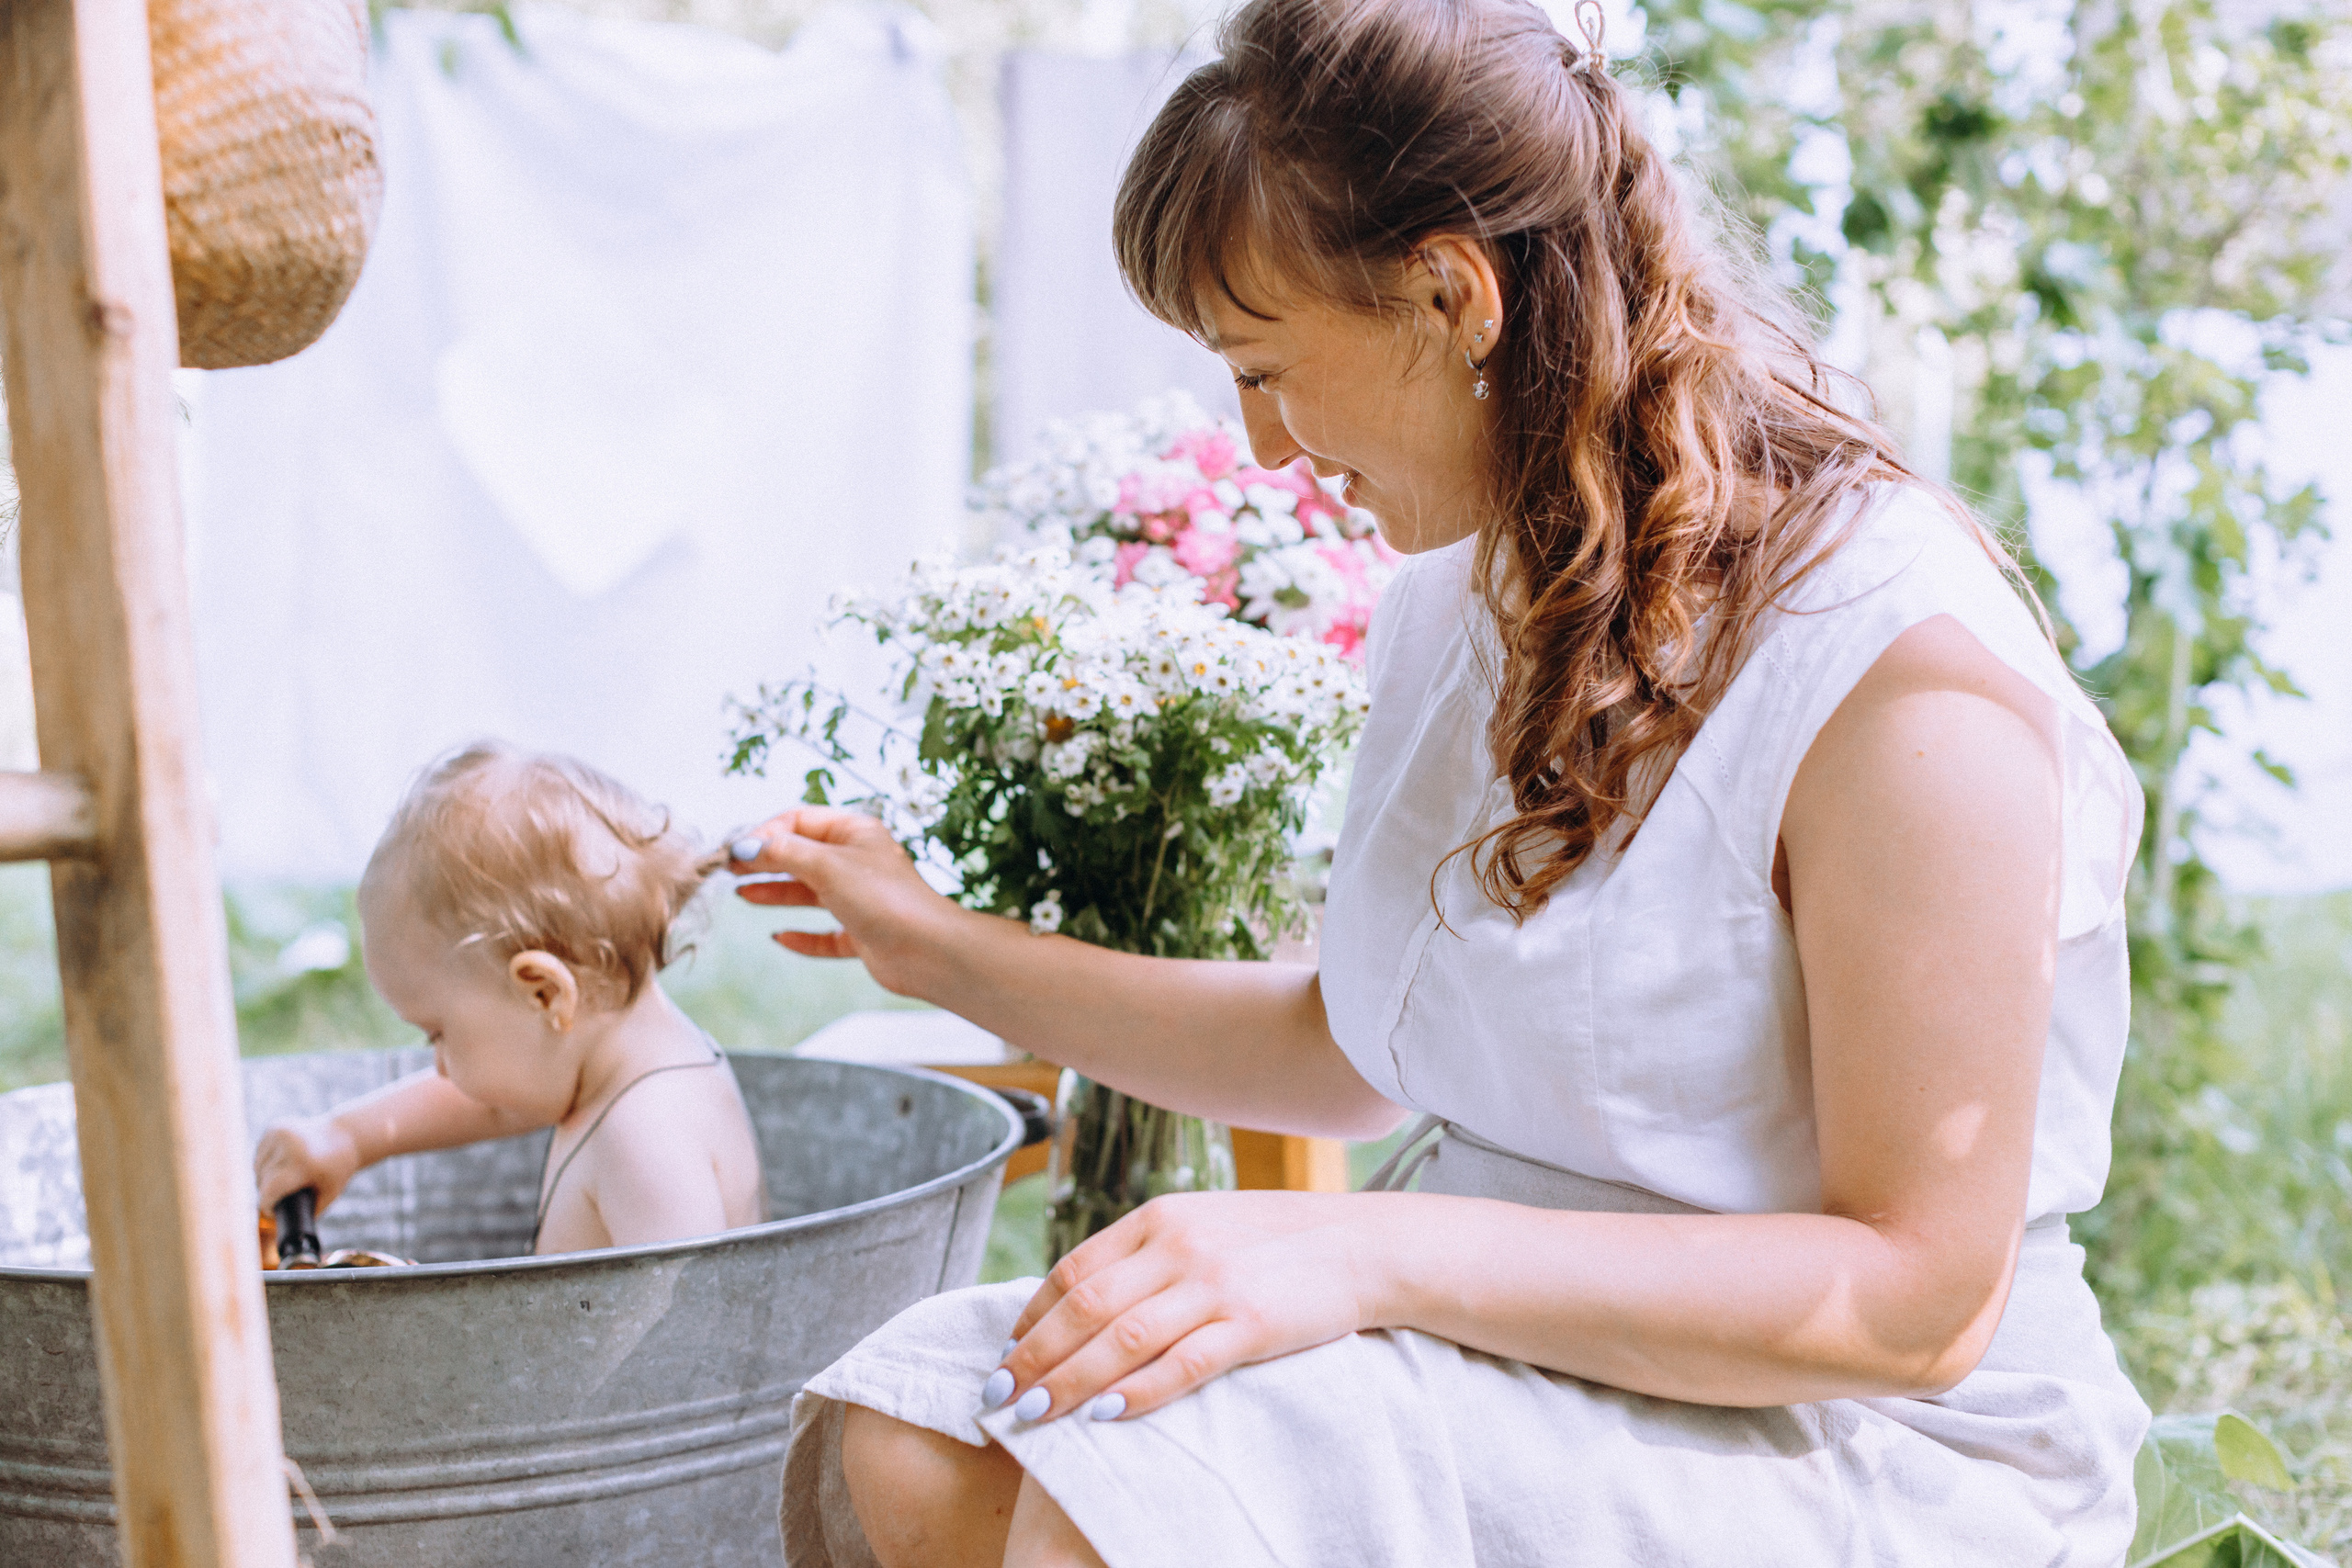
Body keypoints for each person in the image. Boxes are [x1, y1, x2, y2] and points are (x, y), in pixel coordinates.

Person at [739, 0, 2151, 1559]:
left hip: (1848, 1432)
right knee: (925, 1444)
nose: (1260, 447)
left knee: (1116, 1504)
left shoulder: (1897, 674)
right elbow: (1355, 1045)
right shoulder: (1467, 596)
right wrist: (928, 940)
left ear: (1449, 292)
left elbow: (1911, 1302)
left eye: (1265, 366)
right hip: (1511, 1339)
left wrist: (1358, 1252)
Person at [255, 742, 764, 1256]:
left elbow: (698, 1330)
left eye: (438, 1034)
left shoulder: (649, 1141)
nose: (441, 1065)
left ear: (543, 993)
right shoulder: (598, 1063)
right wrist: (349, 1136)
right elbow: (498, 1105)